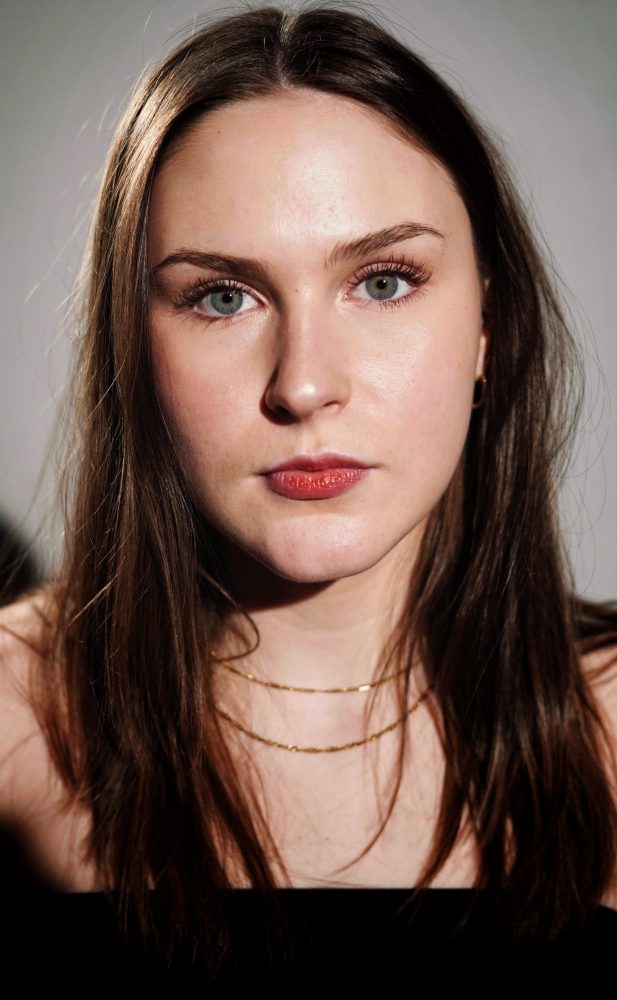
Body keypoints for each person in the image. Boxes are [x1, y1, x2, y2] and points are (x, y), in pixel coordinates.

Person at [1, 0, 616, 989]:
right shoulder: (14, 725)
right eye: (221, 297)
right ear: (134, 345)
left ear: (488, 328)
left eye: (382, 281)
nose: (302, 384)